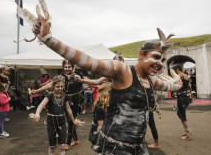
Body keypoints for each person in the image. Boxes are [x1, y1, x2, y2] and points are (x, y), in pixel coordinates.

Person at [32, 16, 181, 154]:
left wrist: (178, 83)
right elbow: (87, 61)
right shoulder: (123, 70)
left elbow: (170, 86)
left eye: (162, 60)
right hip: (115, 148)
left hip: (138, 148)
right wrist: (48, 39)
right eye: (155, 57)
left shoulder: (150, 80)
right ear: (141, 55)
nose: (159, 64)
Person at [31, 61, 83, 150]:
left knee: (71, 121)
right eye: (65, 67)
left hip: (75, 100)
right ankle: (76, 140)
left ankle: (68, 142)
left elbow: (86, 82)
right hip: (63, 99)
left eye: (69, 67)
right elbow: (51, 84)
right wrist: (38, 90)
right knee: (69, 120)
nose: (67, 69)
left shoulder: (78, 74)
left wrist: (81, 80)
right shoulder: (61, 76)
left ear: (73, 67)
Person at [172, 64, 192, 140]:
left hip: (181, 97)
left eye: (174, 70)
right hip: (185, 96)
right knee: (179, 113)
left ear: (177, 69)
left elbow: (173, 83)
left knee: (182, 115)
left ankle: (188, 134)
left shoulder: (180, 76)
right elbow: (189, 86)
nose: (173, 72)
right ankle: (187, 130)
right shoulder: (185, 75)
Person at [89, 82, 112, 150]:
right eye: (111, 92)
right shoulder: (99, 107)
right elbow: (100, 125)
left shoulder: (108, 104)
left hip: (106, 131)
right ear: (106, 93)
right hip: (100, 133)